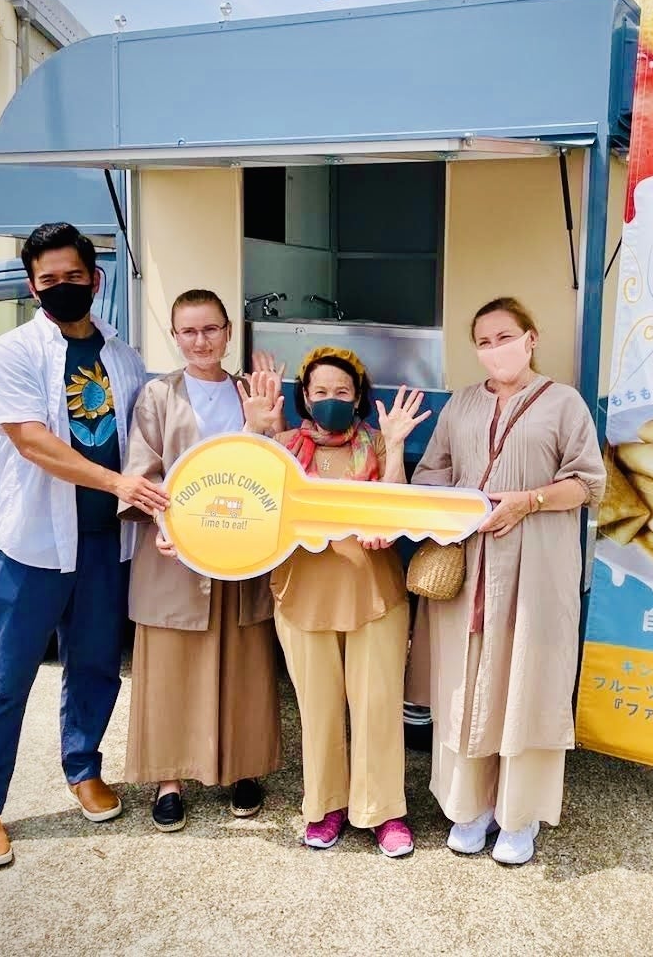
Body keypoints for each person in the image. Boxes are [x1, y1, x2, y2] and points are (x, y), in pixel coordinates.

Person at [0, 222, 169, 869]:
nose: (61, 287)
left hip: (106, 544)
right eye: (48, 279)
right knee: (3, 677)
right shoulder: (13, 352)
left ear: (95, 279)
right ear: (33, 287)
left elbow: (149, 435)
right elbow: (32, 441)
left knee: (97, 666)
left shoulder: (122, 355)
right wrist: (118, 483)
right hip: (32, 547)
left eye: (73, 276)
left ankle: (83, 770)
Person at [411, 297, 604, 865]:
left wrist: (530, 500)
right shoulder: (461, 404)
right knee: (467, 685)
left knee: (527, 683)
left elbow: (589, 484)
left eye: (505, 337)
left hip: (537, 568)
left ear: (531, 338)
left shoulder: (564, 403)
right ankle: (470, 805)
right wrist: (453, 504)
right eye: (484, 341)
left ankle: (519, 814)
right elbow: (432, 474)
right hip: (468, 568)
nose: (495, 349)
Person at [120, 290, 287, 831]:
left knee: (243, 663)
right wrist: (164, 526)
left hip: (242, 554)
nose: (200, 341)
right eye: (188, 331)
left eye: (211, 329)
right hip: (175, 554)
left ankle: (243, 768)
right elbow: (142, 473)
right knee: (171, 665)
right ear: (175, 336)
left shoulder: (251, 392)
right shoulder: (157, 396)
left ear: (228, 332)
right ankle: (168, 779)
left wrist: (266, 424)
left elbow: (279, 470)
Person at [271, 346, 429, 858]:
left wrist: (397, 446)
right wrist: (254, 432)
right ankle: (324, 806)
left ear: (358, 396)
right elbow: (256, 508)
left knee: (378, 707)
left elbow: (398, 511)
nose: (331, 399)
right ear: (305, 396)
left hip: (375, 594)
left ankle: (384, 811)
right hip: (302, 595)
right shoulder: (280, 448)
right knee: (317, 711)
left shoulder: (380, 443)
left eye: (342, 391)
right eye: (320, 391)